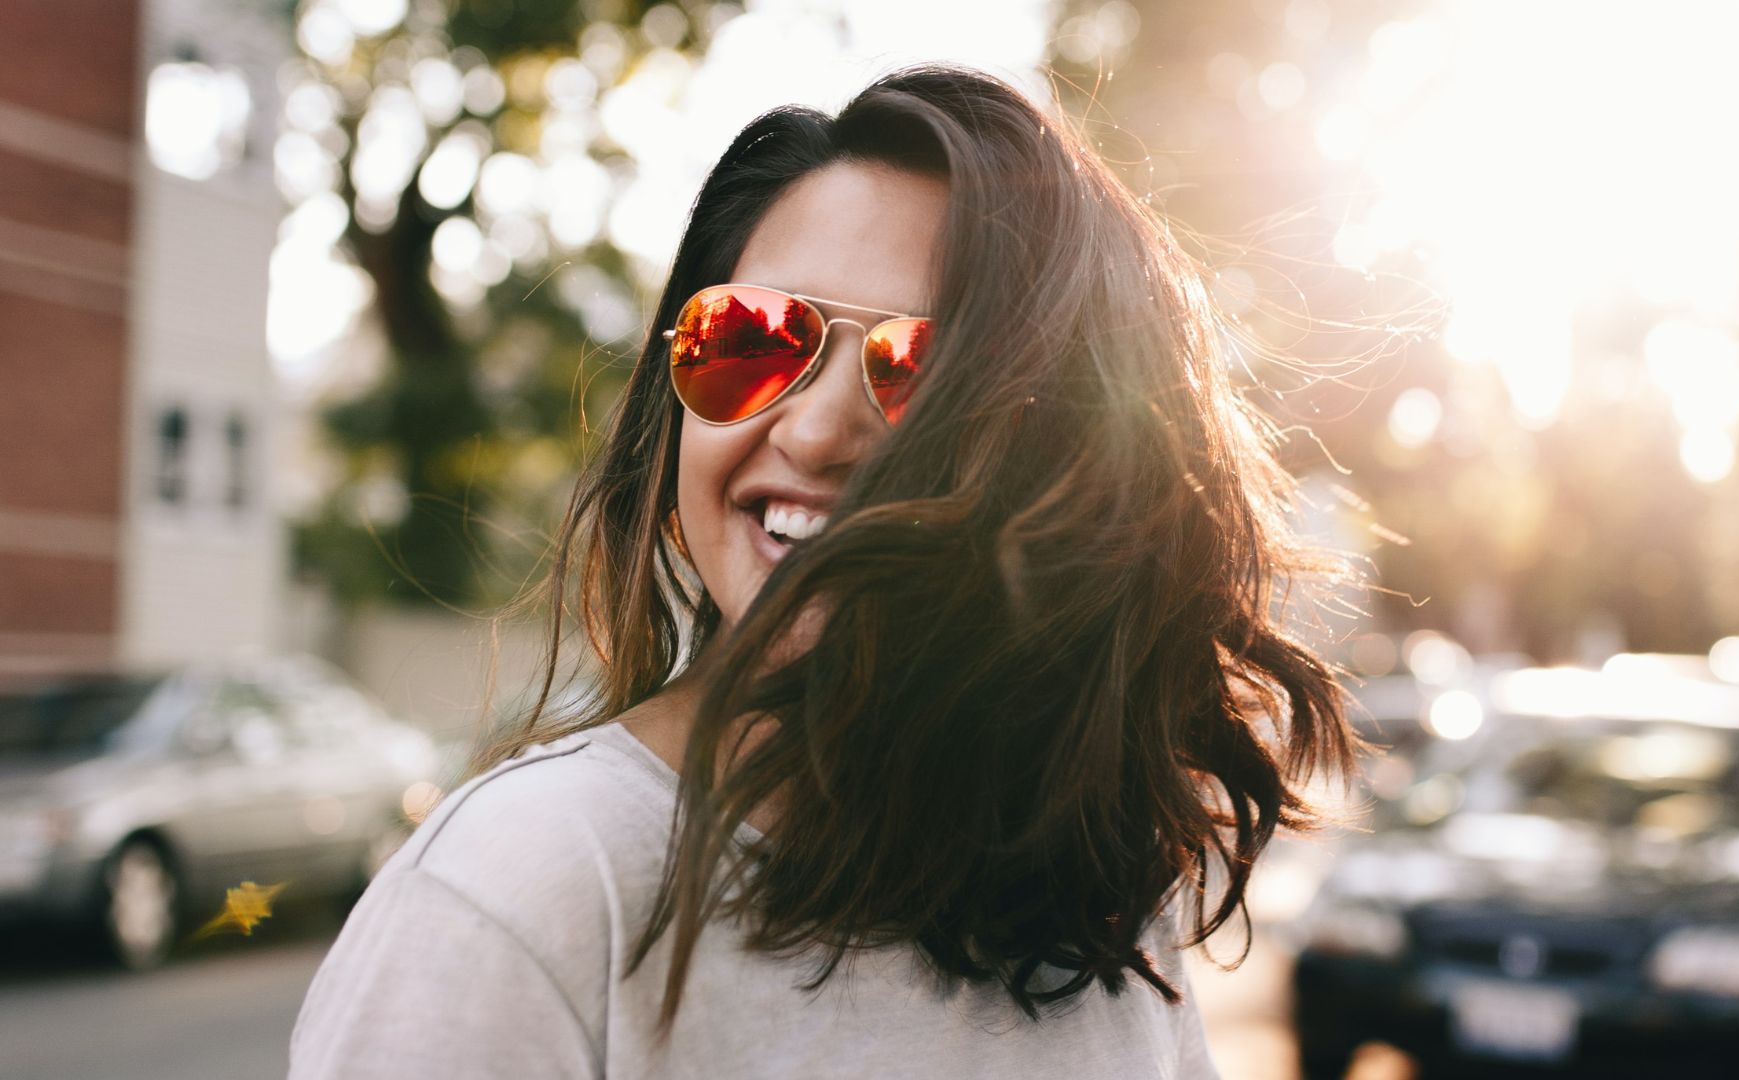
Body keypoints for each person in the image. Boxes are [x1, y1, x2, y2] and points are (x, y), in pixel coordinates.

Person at [289, 64, 1352, 1079]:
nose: (815, 428)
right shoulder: (521, 887)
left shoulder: (1095, 901)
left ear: (1075, 466)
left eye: (927, 370)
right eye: (751, 339)